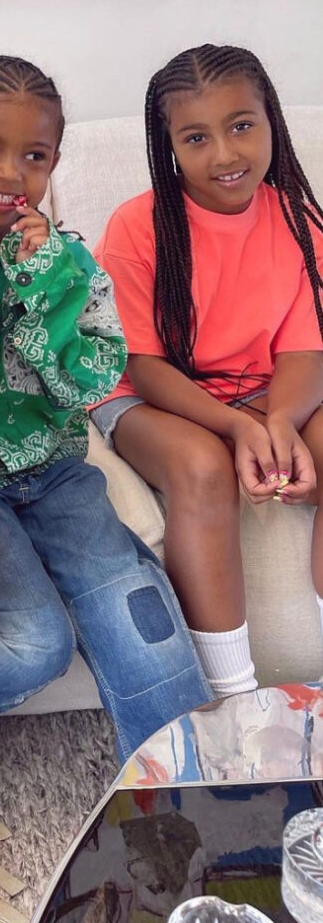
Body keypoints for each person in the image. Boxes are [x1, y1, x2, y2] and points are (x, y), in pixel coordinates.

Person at [0, 54, 212, 765]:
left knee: (138, 614)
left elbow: (89, 383)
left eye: (35, 156)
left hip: (55, 473)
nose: (11, 173)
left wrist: (43, 287)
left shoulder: (68, 264)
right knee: (38, 641)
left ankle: (184, 783)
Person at [91, 43, 323, 696]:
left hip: (264, 390)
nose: (224, 154)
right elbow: (143, 365)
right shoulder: (137, 227)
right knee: (202, 466)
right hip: (152, 395)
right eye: (196, 138)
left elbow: (304, 351)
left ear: (272, 121)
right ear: (170, 147)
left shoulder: (300, 220)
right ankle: (231, 693)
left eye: (242, 125)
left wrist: (281, 422)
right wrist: (237, 427)